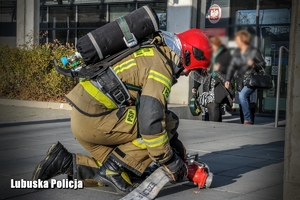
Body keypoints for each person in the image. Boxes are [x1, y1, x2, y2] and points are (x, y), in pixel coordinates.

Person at [32, 29, 212, 194]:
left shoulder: (152, 49)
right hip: (97, 120)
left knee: (128, 173)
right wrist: (170, 161)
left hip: (84, 118)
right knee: (167, 123)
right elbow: (151, 125)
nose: (188, 75)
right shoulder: (161, 68)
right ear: (187, 55)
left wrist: (175, 146)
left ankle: (63, 161)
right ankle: (114, 168)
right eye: (193, 70)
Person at [225, 30, 265, 125]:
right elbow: (231, 66)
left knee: (244, 97)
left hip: (251, 80)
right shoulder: (237, 52)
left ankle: (248, 120)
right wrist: (227, 79)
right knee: (243, 103)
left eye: (237, 39)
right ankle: (246, 122)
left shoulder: (254, 51)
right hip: (240, 81)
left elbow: (263, 64)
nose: (236, 41)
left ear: (243, 39)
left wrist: (254, 64)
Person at [192, 36, 233, 122]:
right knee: (210, 105)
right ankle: (214, 124)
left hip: (220, 82)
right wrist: (195, 87)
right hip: (208, 82)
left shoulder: (224, 54)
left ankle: (214, 125)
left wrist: (226, 77)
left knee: (214, 103)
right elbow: (200, 71)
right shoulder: (206, 55)